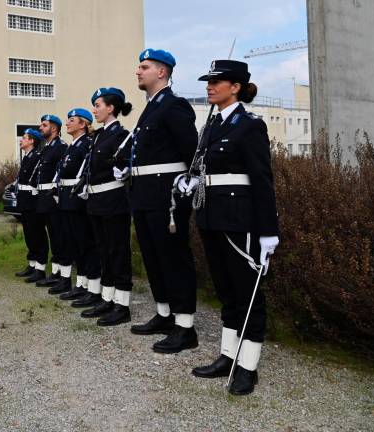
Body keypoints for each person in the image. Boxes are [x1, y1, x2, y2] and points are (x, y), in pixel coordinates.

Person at [181, 60, 280, 396]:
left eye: (216, 81)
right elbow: (205, 171)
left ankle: (247, 366)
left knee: (246, 292)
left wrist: (268, 231)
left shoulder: (249, 125)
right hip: (210, 217)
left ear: (235, 86)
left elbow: (262, 180)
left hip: (240, 222)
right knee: (226, 291)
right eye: (208, 81)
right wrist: (191, 183)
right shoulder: (210, 125)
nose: (209, 86)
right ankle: (228, 354)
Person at [126, 49, 200, 354]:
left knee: (173, 258)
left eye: (144, 67)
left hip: (166, 196)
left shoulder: (174, 105)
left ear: (162, 72)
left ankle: (185, 327)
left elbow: (191, 152)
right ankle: (165, 313)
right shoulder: (151, 107)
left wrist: (186, 188)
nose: (138, 71)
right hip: (144, 193)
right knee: (153, 257)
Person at [71, 88, 134, 327]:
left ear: (111, 108)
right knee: (103, 251)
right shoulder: (97, 136)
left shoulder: (122, 135)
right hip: (95, 202)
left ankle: (122, 304)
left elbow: (128, 162)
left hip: (114, 201)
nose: (94, 109)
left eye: (98, 105)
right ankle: (107, 298)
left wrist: (125, 168)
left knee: (118, 252)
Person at [51, 108, 102, 300]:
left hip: (77, 199)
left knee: (85, 242)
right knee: (74, 243)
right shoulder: (72, 146)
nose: (67, 123)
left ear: (83, 124)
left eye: (71, 120)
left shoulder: (86, 144)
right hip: (66, 198)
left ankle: (92, 284)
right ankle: (81, 282)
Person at [34, 115, 69, 288]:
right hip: (44, 198)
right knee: (53, 236)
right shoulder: (46, 148)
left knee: (61, 236)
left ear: (54, 128)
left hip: (54, 197)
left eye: (44, 125)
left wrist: (55, 194)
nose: (40, 128)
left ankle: (64, 275)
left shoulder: (61, 147)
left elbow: (61, 172)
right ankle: (55, 271)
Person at [13, 128, 49, 283]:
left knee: (37, 234)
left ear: (32, 141)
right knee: (29, 234)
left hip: (33, 201)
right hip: (24, 201)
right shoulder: (27, 157)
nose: (21, 140)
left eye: (24, 138)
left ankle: (40, 268)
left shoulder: (37, 157)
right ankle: (32, 264)